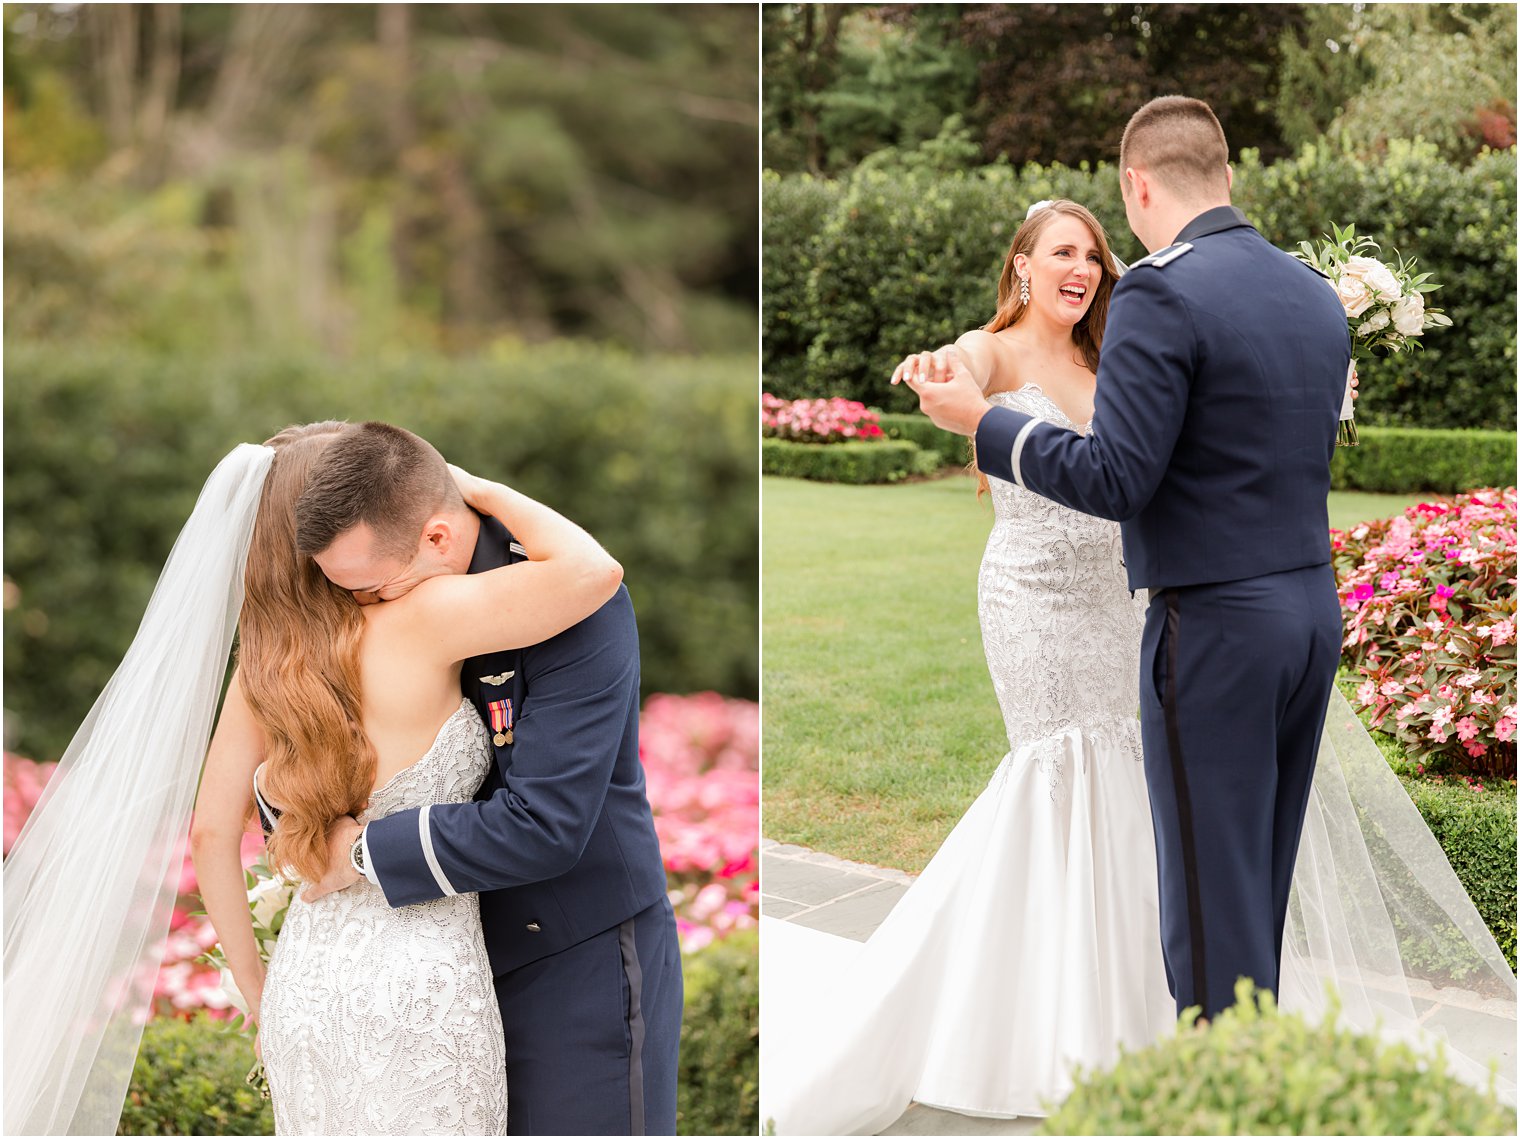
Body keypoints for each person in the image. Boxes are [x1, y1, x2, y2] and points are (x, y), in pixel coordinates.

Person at [760, 105, 1514, 1132]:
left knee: (1206, 903)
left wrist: (980, 429)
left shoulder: (1164, 293)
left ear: (1136, 188)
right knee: (1252, 872)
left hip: (1210, 626)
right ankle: (1261, 1076)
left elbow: (1118, 475)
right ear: (1224, 171)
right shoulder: (1308, 295)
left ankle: (1216, 1103)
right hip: (1303, 613)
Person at [4, 421, 624, 1135]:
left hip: (306, 988)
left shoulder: (261, 672)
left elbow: (210, 832)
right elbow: (592, 571)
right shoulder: (423, 620)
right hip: (421, 986)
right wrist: (470, 488)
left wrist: (259, 994)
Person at [289, 421, 682, 1137]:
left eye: (372, 588)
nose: (362, 610)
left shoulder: (564, 598)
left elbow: (546, 823)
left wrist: (357, 852)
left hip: (573, 950)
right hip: (444, 967)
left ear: (437, 538)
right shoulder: (391, 605)